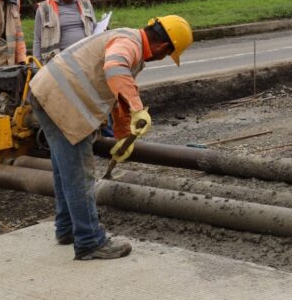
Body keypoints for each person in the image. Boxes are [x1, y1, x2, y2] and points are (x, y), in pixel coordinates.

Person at [28, 15, 193, 260]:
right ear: (163, 47)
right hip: (60, 99)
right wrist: (138, 108)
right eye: (167, 54)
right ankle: (89, 241)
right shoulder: (130, 44)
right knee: (79, 174)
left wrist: (123, 136)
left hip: (46, 92)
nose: (162, 58)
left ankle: (67, 228)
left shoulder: (128, 39)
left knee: (64, 169)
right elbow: (115, 69)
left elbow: (116, 94)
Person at [34, 0, 97, 64]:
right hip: (57, 65)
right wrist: (36, 67)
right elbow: (37, 40)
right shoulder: (44, 9)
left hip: (86, 61)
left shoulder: (86, 4)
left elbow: (94, 29)